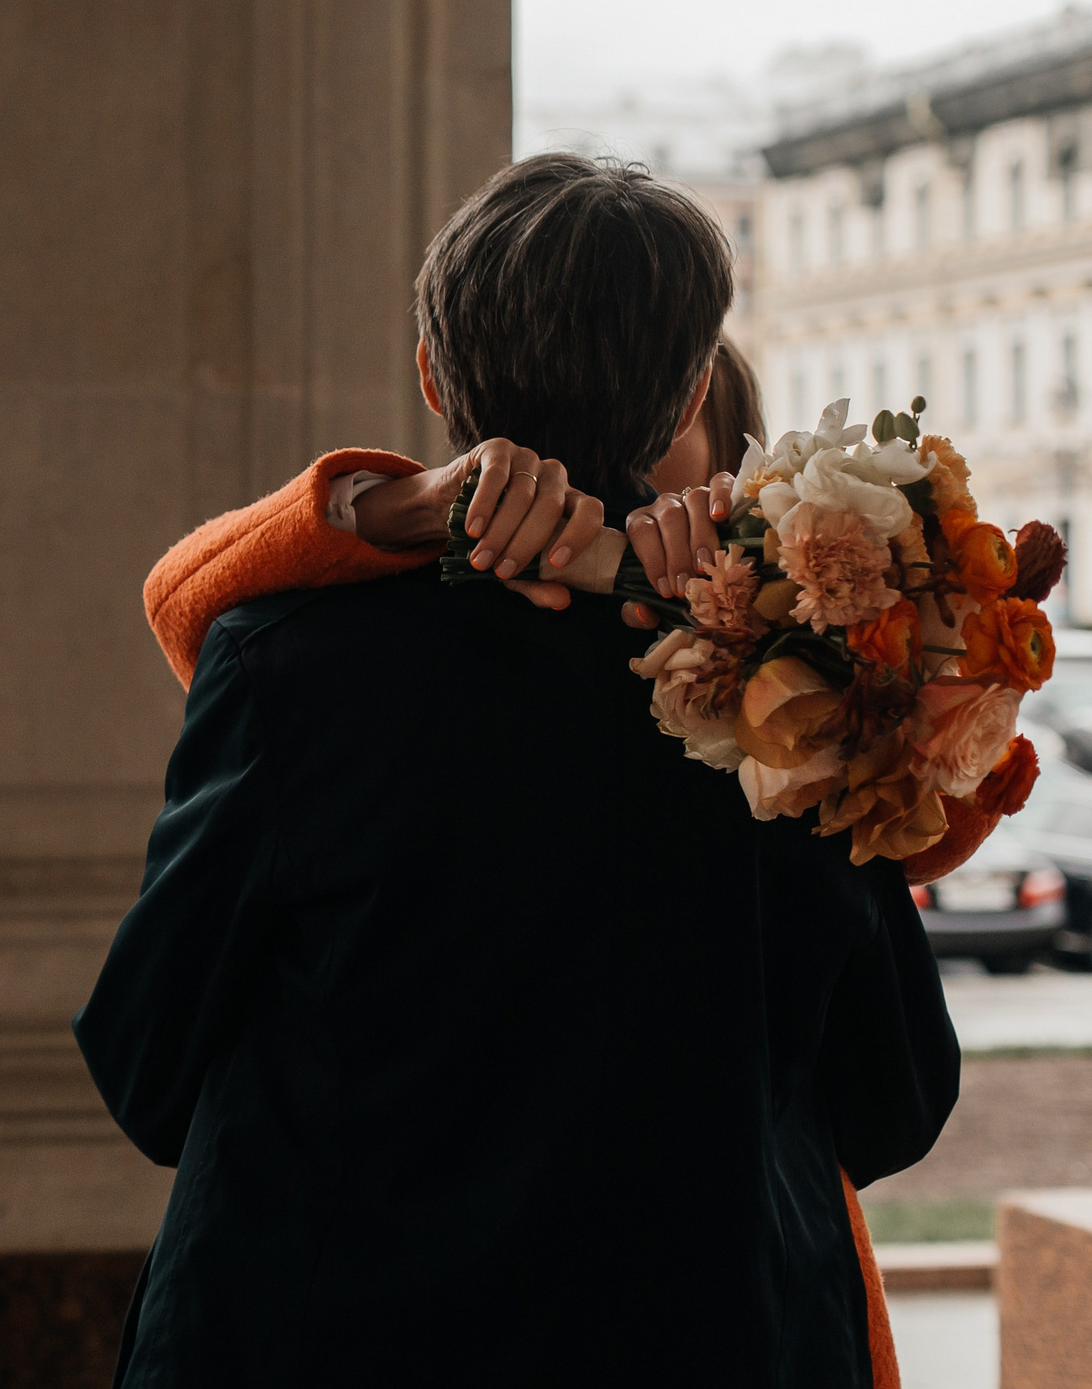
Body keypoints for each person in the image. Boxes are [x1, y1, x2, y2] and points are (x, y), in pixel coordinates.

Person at [75, 154, 959, 1388]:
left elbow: (143, 1062)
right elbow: (896, 1098)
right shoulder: (792, 685)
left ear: (433, 375)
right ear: (689, 390)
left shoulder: (289, 662)